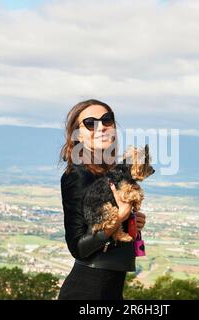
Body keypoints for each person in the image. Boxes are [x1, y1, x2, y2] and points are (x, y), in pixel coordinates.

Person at [57, 99, 146, 300]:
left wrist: (131, 222)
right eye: (90, 123)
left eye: (107, 120)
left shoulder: (109, 171)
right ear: (78, 134)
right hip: (88, 291)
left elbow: (102, 228)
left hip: (110, 291)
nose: (101, 127)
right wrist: (119, 217)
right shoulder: (78, 174)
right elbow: (78, 247)